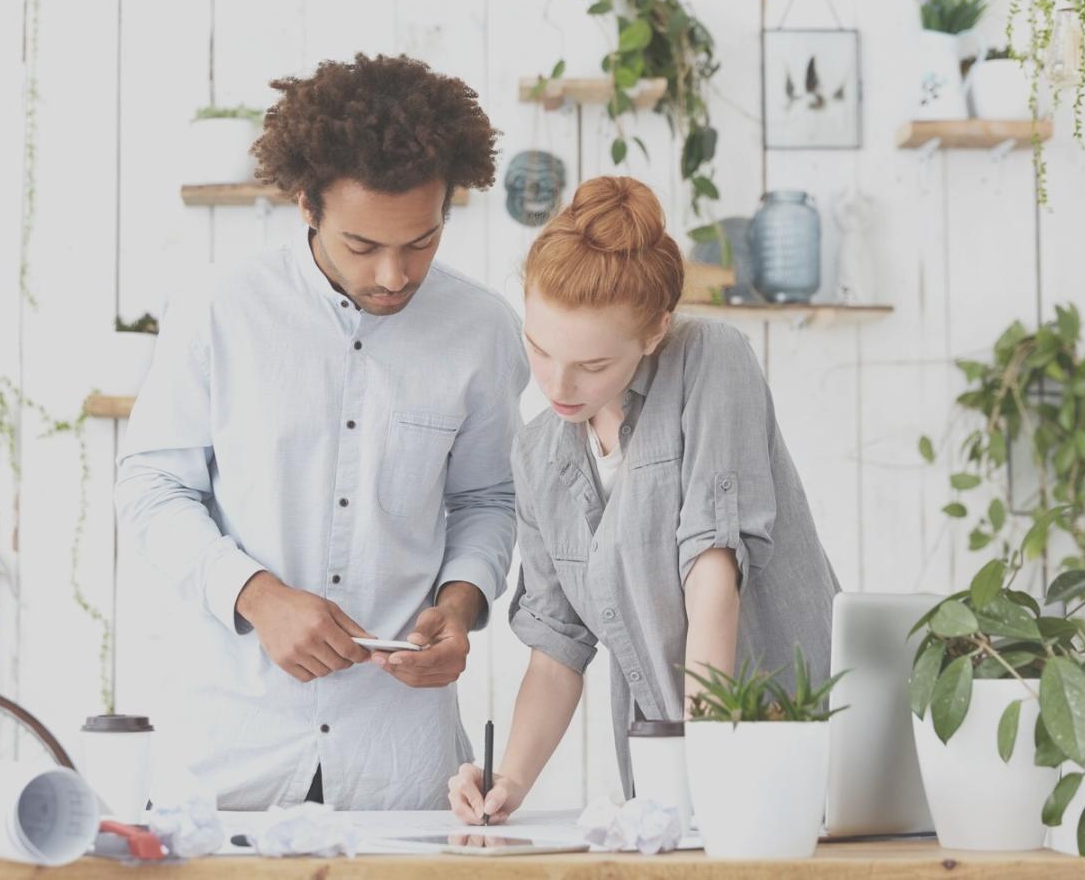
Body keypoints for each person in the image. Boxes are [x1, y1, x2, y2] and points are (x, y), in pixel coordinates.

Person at [116, 54, 527, 810]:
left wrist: (460, 604)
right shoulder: (219, 309)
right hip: (229, 747)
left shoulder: (483, 330)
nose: (396, 276)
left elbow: (489, 501)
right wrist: (258, 595)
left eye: (422, 243)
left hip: (401, 759)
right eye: (363, 246)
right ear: (306, 204)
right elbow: (151, 488)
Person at [447, 176, 841, 824]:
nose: (559, 384)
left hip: (785, 752)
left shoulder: (711, 360)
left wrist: (708, 773)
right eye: (539, 349)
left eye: (593, 365)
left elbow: (712, 574)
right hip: (665, 783)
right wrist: (508, 781)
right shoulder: (539, 454)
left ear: (655, 331)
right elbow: (557, 647)